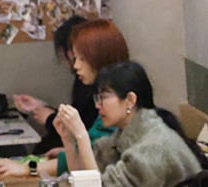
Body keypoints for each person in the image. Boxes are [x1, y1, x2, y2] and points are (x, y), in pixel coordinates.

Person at [49, 61, 204, 187]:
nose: (97, 105)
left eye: (103, 97)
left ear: (130, 100)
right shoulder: (125, 134)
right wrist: (68, 139)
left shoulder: (153, 144)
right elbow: (83, 184)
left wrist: (82, 135)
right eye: (97, 98)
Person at [13, 17, 127, 154]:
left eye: (81, 59)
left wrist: (51, 119)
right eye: (75, 58)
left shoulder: (115, 99)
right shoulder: (95, 87)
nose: (75, 66)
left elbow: (94, 154)